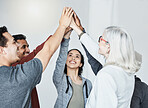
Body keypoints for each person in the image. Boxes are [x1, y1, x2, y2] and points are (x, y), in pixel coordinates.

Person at [0, 7, 73, 108]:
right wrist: (63, 26)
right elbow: (47, 50)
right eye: (13, 43)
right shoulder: (19, 76)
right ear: (2, 50)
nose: (17, 46)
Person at [70, 13, 141, 108]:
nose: (98, 42)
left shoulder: (106, 75)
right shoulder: (125, 72)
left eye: (101, 39)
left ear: (108, 46)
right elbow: (94, 50)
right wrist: (77, 28)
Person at [52, 26, 92, 108]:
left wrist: (81, 33)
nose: (73, 58)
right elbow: (60, 59)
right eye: (70, 55)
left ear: (81, 64)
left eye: (77, 56)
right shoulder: (60, 79)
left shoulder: (88, 84)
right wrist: (66, 37)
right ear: (65, 61)